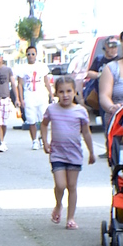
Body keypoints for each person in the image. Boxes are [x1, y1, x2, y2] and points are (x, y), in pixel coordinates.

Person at [40, 74, 96, 229]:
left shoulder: (80, 111)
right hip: (57, 153)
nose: (65, 95)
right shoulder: (52, 109)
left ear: (74, 92)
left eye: (69, 91)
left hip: (74, 154)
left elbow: (86, 132)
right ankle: (58, 204)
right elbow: (44, 125)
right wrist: (44, 141)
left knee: (72, 186)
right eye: (61, 92)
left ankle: (70, 218)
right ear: (56, 93)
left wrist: (91, 152)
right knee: (60, 184)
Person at [17, 44, 54, 149]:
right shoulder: (22, 68)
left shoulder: (42, 66)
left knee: (43, 119)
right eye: (28, 54)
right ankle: (34, 141)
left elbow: (46, 81)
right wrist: (21, 99)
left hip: (41, 96)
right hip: (29, 96)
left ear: (36, 55)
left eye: (33, 54)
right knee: (31, 120)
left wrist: (51, 95)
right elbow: (20, 84)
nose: (31, 56)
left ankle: (43, 139)